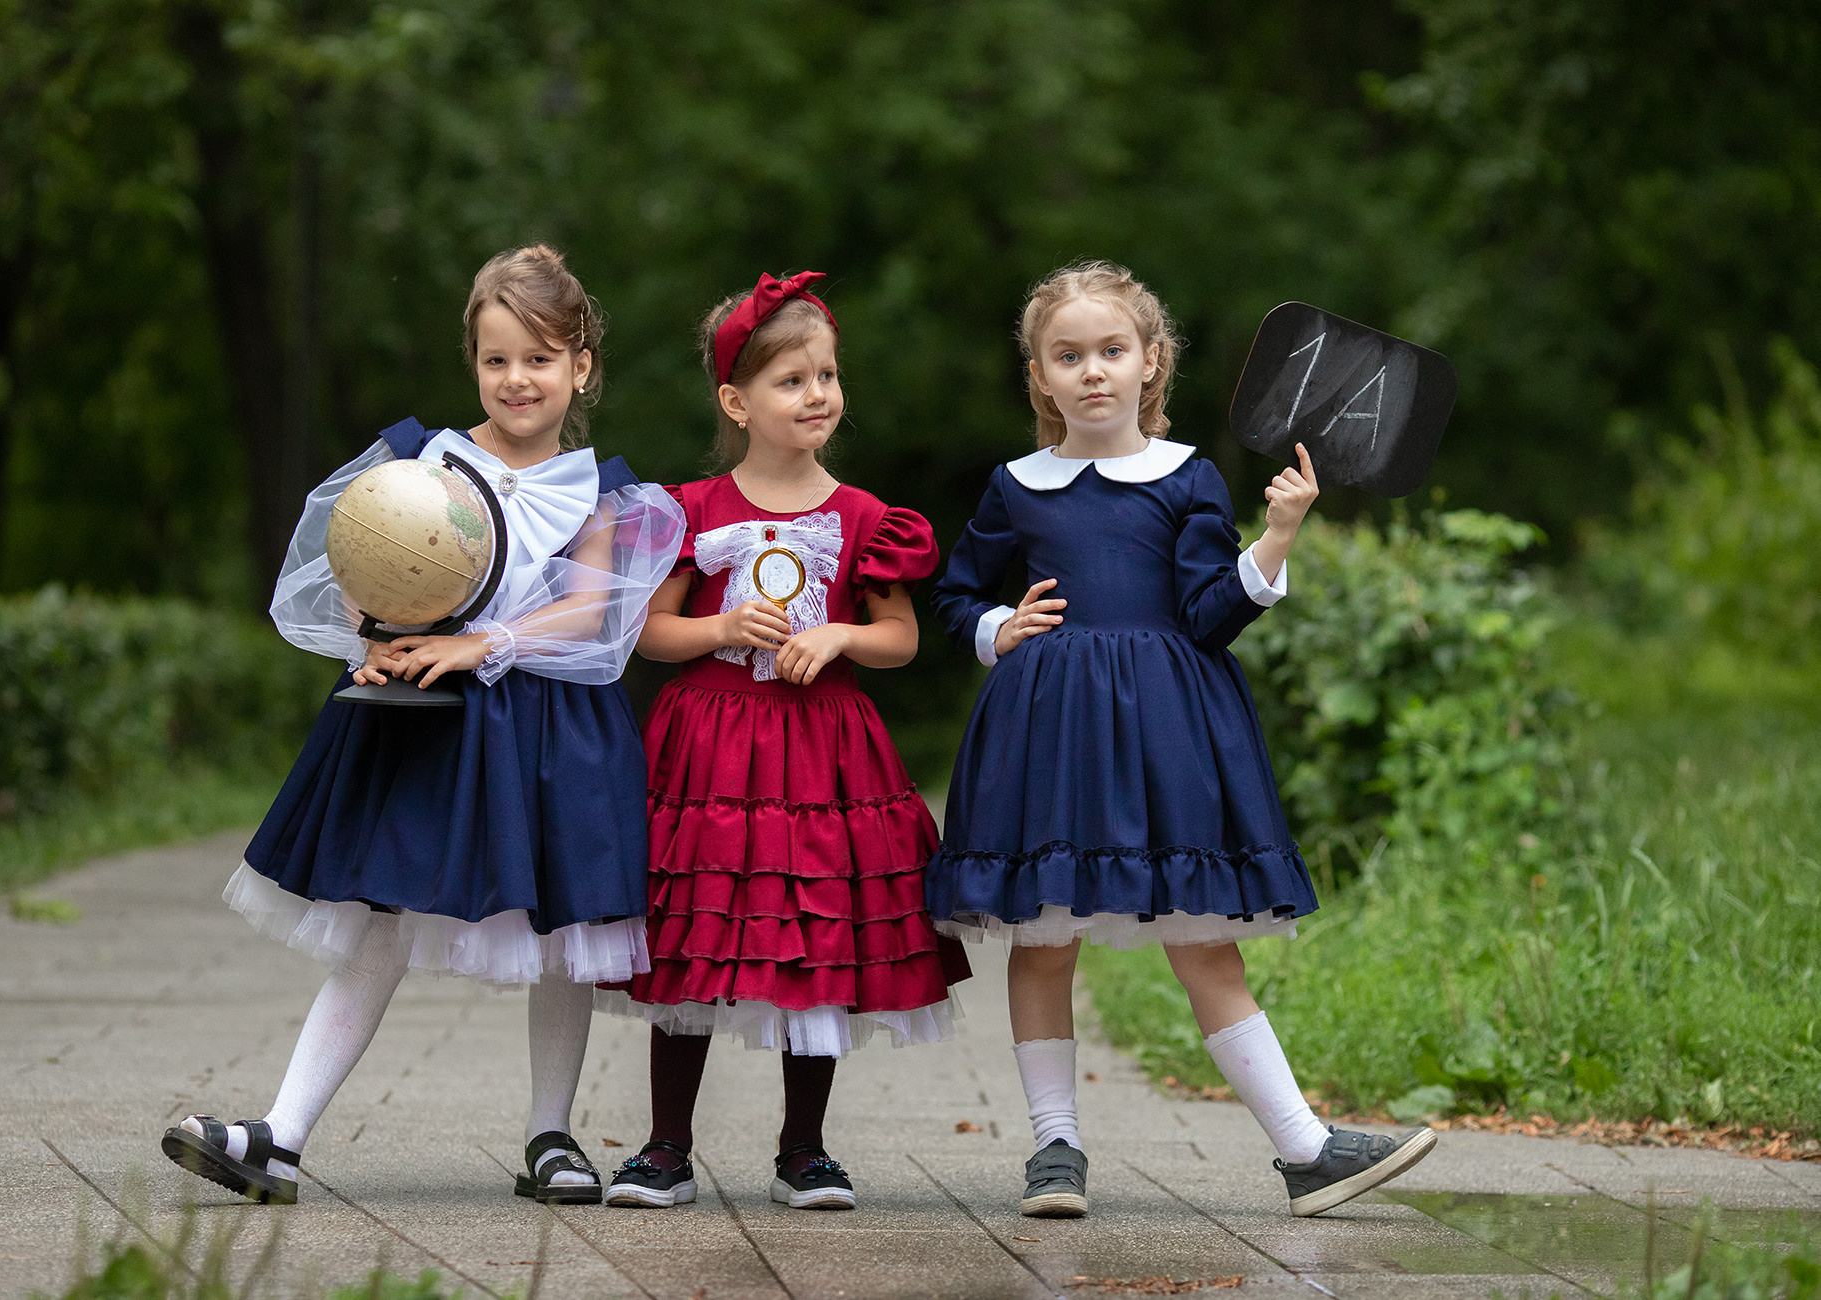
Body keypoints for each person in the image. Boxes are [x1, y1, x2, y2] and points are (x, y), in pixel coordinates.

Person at [159, 246, 683, 1207]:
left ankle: (550, 1135)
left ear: (582, 367)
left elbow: (587, 614)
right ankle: (282, 1133)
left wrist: (487, 642)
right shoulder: (430, 463)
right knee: (380, 917)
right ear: (472, 365)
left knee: (564, 931)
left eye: (539, 358)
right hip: (429, 723)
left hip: (551, 721)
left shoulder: (599, 486)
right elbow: (371, 564)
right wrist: (375, 635)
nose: (516, 379)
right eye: (495, 359)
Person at [927, 261, 1435, 1219]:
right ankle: (1055, 1152)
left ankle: (1306, 1148)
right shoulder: (1017, 486)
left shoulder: (1188, 475)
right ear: (1039, 374)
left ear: (1150, 362)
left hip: (1169, 732)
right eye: (1067, 355)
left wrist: (1277, 534)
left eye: (1111, 351)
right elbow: (956, 596)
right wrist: (999, 627)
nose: (1092, 372)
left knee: (1205, 943)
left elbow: (1207, 614)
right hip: (1048, 733)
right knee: (1042, 940)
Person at [596, 272, 970, 1212]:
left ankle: (805, 1149)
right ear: (736, 401)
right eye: (792, 380)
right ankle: (665, 1147)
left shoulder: (866, 519)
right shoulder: (691, 510)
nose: (818, 396)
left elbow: (901, 639)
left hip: (822, 750)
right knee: (697, 930)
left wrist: (840, 635)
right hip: (711, 748)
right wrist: (721, 631)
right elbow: (652, 633)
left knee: (817, 932)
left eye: (828, 376)